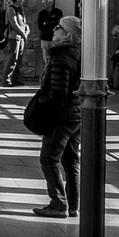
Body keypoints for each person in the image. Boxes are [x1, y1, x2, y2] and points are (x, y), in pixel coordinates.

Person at [34, 15, 83, 218]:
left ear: (67, 34)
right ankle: (73, 205)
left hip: (62, 115)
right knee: (71, 160)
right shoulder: (79, 53)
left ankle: (58, 204)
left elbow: (58, 93)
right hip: (77, 112)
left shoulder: (62, 57)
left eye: (58, 27)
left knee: (49, 158)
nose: (54, 30)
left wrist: (40, 107)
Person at [0, 0, 31, 86]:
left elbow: (23, 22)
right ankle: (6, 79)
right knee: (12, 58)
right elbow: (14, 23)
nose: (23, 0)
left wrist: (26, 30)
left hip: (20, 37)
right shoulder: (11, 9)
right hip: (14, 37)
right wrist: (23, 33)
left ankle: (16, 78)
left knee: (19, 60)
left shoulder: (19, 9)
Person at [35, 0, 63, 77]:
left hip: (55, 38)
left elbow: (58, 24)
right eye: (42, 3)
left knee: (55, 57)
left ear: (51, 3)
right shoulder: (42, 13)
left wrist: (47, 23)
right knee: (46, 58)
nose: (43, 5)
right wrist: (50, 23)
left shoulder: (58, 12)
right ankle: (47, 75)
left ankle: (55, 75)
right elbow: (41, 26)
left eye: (45, 3)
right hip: (45, 38)